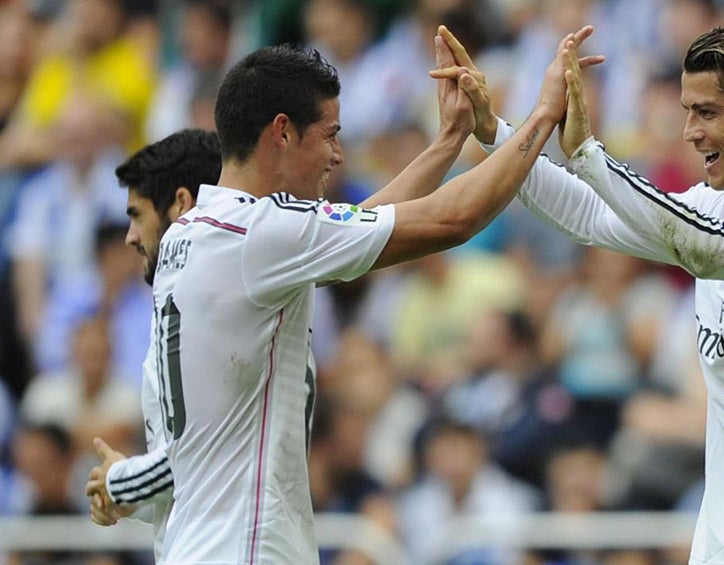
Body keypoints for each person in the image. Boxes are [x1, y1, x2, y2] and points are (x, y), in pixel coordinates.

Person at [435, 18, 724, 565]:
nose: (689, 132)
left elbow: (707, 247)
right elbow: (589, 213)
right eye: (687, 112)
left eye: (707, 112)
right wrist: (496, 132)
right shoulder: (716, 205)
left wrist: (587, 151)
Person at [131, 28, 601, 564]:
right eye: (329, 134)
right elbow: (453, 218)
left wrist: (448, 142)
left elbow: (362, 225)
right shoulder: (259, 235)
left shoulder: (199, 233)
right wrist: (542, 115)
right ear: (282, 133)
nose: (337, 156)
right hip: (246, 549)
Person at [84, 128, 223, 562]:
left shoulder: (216, 302)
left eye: (137, 215)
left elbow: (200, 451)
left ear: (181, 204)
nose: (129, 237)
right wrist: (132, 497)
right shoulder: (182, 300)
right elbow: (200, 475)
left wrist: (120, 481)